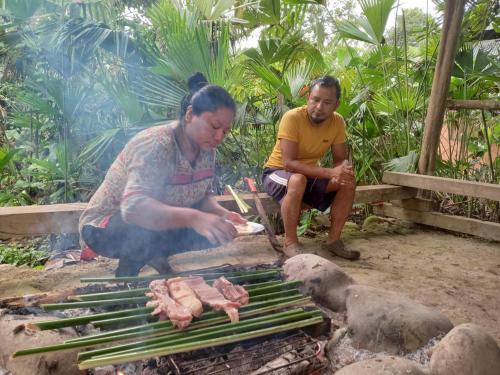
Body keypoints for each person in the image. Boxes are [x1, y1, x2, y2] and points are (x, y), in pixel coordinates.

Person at [79, 73, 246, 276]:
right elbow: (133, 208)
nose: (219, 137)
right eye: (214, 126)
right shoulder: (156, 143)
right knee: (147, 228)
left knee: (214, 231)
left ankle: (155, 258)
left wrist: (222, 214)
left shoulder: (207, 148)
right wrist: (195, 218)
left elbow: (202, 196)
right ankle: (126, 279)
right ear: (190, 114)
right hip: (107, 227)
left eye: (226, 131)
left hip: (161, 223)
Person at [262, 75, 359, 260]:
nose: (319, 107)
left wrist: (342, 170)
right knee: (298, 179)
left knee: (348, 182)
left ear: (336, 105)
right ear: (308, 99)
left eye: (327, 102)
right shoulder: (292, 118)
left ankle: (333, 241)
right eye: (315, 100)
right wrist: (330, 172)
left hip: (309, 176)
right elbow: (288, 163)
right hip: (277, 172)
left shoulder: (337, 122)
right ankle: (290, 243)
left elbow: (339, 159)